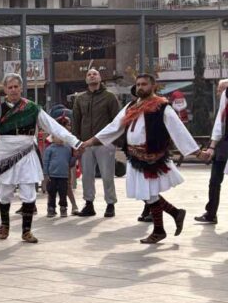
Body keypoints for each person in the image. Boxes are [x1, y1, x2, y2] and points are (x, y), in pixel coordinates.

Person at [80, 74, 201, 244]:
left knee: (149, 194)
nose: (140, 87)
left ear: (153, 86)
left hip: (152, 157)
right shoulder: (131, 106)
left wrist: (196, 151)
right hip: (135, 157)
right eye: (137, 85)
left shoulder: (162, 106)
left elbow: (178, 129)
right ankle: (173, 215)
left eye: (144, 84)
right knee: (147, 194)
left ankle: (161, 228)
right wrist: (91, 141)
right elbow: (115, 126)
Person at [0, 74, 80, 244]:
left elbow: (53, 126)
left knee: (29, 193)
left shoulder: (33, 108)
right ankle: (5, 224)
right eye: (10, 87)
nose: (13, 90)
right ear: (5, 89)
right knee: (4, 193)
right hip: (5, 153)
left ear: (21, 88)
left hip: (27, 153)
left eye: (16, 87)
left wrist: (75, 142)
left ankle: (26, 231)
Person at [72, 68, 121, 218]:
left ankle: (110, 204)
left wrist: (116, 142)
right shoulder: (80, 99)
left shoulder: (110, 97)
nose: (92, 76)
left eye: (95, 74)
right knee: (87, 175)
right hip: (85, 144)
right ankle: (89, 204)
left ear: (100, 78)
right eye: (89, 74)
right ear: (86, 80)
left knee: (107, 175)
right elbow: (76, 121)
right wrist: (76, 143)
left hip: (105, 144)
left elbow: (117, 121)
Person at [195, 78, 228, 225]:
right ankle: (211, 213)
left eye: (220, 89)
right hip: (223, 146)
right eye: (218, 90)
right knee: (215, 180)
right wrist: (213, 146)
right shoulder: (226, 97)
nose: (218, 92)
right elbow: (219, 124)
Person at [43, 122, 73, 217]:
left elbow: (70, 161)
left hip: (63, 176)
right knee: (51, 193)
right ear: (52, 138)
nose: (60, 139)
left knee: (63, 193)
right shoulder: (49, 149)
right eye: (57, 136)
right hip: (52, 176)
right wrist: (46, 174)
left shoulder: (67, 148)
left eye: (61, 136)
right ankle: (51, 208)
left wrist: (76, 156)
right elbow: (46, 162)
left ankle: (63, 208)